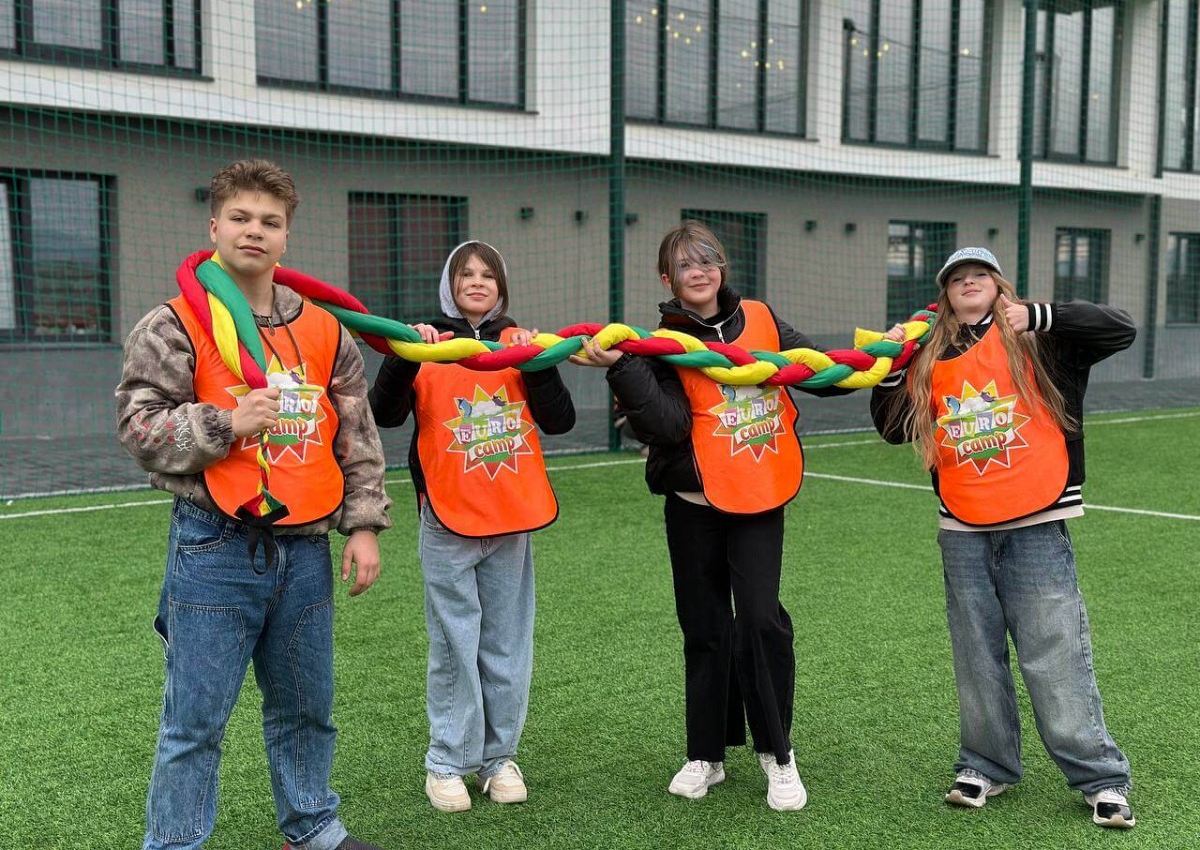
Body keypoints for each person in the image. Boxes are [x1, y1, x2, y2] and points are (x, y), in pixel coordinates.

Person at [116, 159, 390, 850]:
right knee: (195, 723)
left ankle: (313, 825)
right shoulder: (174, 323)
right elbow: (139, 427)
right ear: (214, 226)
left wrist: (362, 526)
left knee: (307, 708)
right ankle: (174, 842)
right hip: (213, 546)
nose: (254, 231)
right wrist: (224, 424)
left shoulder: (326, 330)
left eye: (270, 221)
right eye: (240, 217)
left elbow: (357, 436)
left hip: (307, 549)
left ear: (287, 236)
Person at [571, 220, 891, 811]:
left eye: (707, 260)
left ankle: (778, 752)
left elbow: (819, 373)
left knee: (762, 621)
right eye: (684, 265)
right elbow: (667, 426)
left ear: (722, 268)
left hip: (758, 498)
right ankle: (707, 754)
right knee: (704, 627)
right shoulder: (659, 343)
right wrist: (624, 367)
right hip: (693, 504)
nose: (698, 272)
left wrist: (883, 351)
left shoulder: (763, 319)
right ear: (667, 279)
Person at [870, 246, 1136, 829]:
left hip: (1037, 518)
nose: (968, 284)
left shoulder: (1040, 338)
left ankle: (1100, 777)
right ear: (945, 295)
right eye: (957, 279)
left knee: (1055, 652)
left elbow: (1120, 329)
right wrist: (891, 363)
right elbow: (892, 427)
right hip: (962, 526)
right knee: (976, 654)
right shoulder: (928, 353)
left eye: (979, 276)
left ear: (998, 286)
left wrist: (1041, 315)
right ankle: (986, 765)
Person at [369, 240, 575, 813]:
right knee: (454, 642)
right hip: (447, 517)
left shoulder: (519, 343)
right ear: (449, 284)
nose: (477, 282)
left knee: (506, 643)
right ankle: (446, 762)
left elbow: (559, 420)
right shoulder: (426, 342)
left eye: (488, 274)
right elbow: (384, 413)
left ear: (501, 286)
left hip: (512, 518)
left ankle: (498, 758)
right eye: (466, 274)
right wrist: (405, 353)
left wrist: (535, 360)